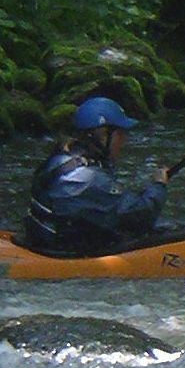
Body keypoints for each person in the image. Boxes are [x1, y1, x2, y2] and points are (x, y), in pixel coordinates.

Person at [18, 96, 171, 256]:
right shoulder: (89, 178)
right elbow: (141, 214)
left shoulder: (59, 159)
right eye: (120, 134)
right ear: (102, 135)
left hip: (44, 240)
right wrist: (158, 185)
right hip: (59, 252)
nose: (124, 140)